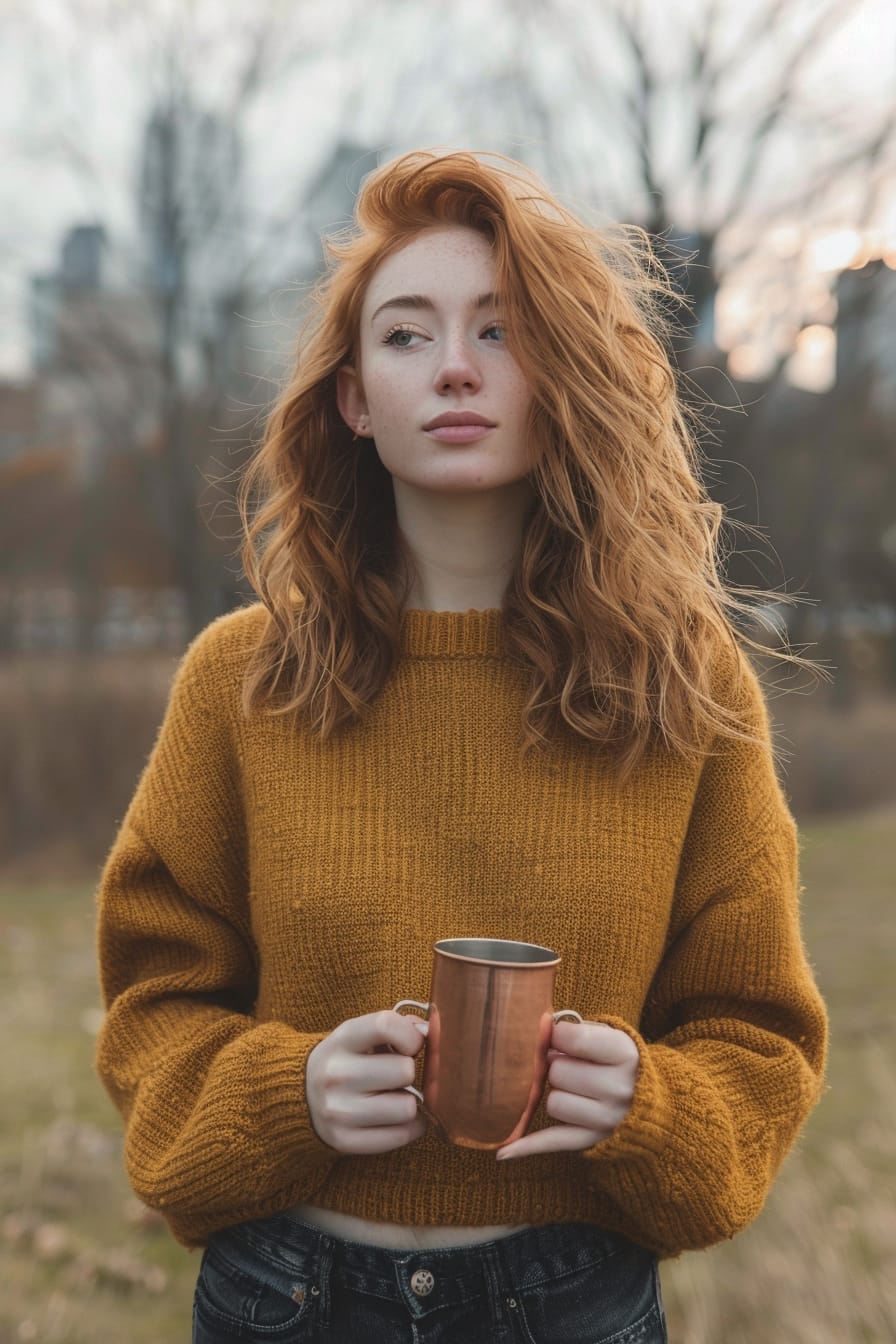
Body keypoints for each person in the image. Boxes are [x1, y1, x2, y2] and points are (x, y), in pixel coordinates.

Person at [95, 149, 828, 1344]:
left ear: (562, 375)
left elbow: (758, 1036)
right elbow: (155, 1005)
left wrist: (651, 1104)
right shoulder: (239, 679)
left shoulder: (683, 686)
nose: (452, 369)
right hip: (284, 1298)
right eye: (404, 335)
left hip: (572, 1302)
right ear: (350, 397)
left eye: (500, 332)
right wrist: (291, 1094)